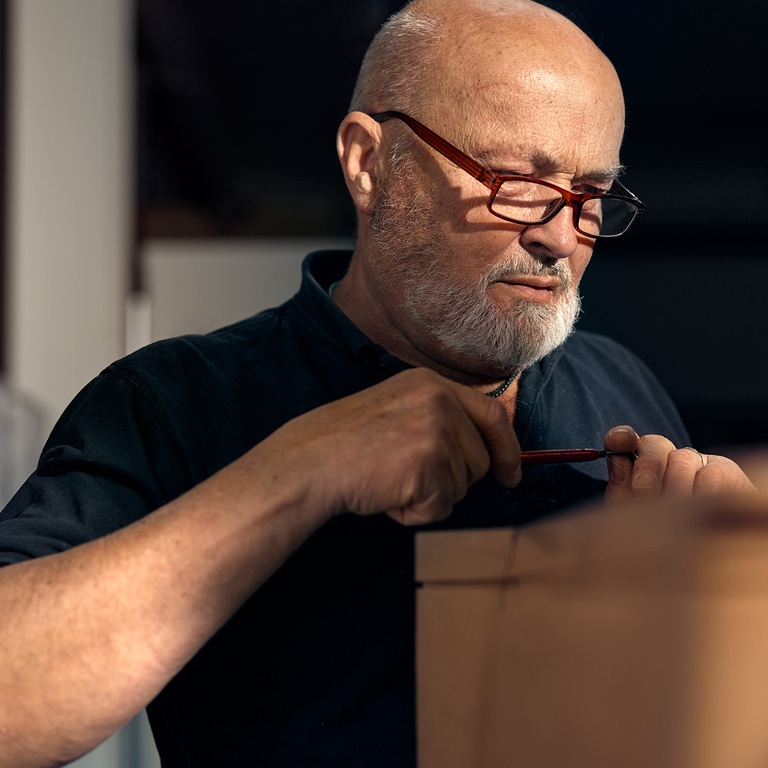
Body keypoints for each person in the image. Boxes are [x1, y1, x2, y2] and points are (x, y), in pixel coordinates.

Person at [0, 1, 755, 766]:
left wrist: (738, 594)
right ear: (371, 163)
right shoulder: (172, 404)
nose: (560, 236)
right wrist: (301, 471)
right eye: (516, 182)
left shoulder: (617, 380)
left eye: (591, 195)